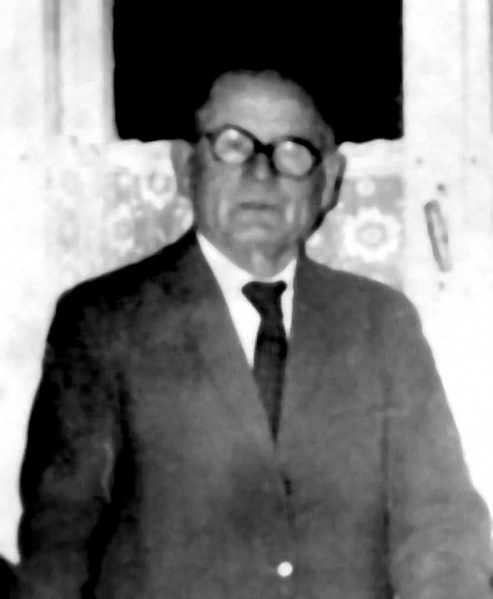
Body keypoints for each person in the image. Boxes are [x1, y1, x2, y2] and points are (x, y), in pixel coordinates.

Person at [11, 68, 492, 599]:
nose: (261, 174)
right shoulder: (104, 320)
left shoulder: (381, 324)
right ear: (185, 167)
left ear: (329, 180)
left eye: (292, 150)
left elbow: (440, 526)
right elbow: (59, 547)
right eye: (233, 145)